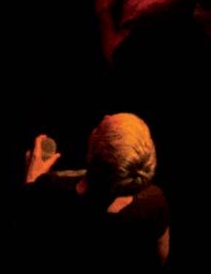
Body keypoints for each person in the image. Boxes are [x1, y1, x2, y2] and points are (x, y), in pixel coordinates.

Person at [20, 112, 172, 268]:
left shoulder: (52, 192)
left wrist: (33, 178)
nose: (106, 117)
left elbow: (26, 236)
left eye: (101, 128)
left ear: (91, 154)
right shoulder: (155, 201)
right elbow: (161, 257)